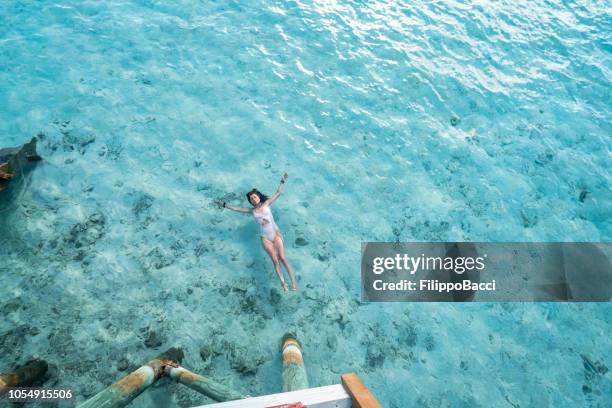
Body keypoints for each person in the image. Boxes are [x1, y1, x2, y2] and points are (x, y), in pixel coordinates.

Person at [216, 172, 297, 292]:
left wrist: (282, 180)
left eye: (254, 197)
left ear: (259, 196)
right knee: (275, 260)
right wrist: (224, 205)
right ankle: (284, 284)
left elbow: (278, 193)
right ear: (250, 201)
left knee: (283, 258)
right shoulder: (251, 210)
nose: (253, 199)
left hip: (275, 234)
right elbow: (237, 209)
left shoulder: (267, 203)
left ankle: (293, 282)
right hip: (265, 238)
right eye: (251, 198)